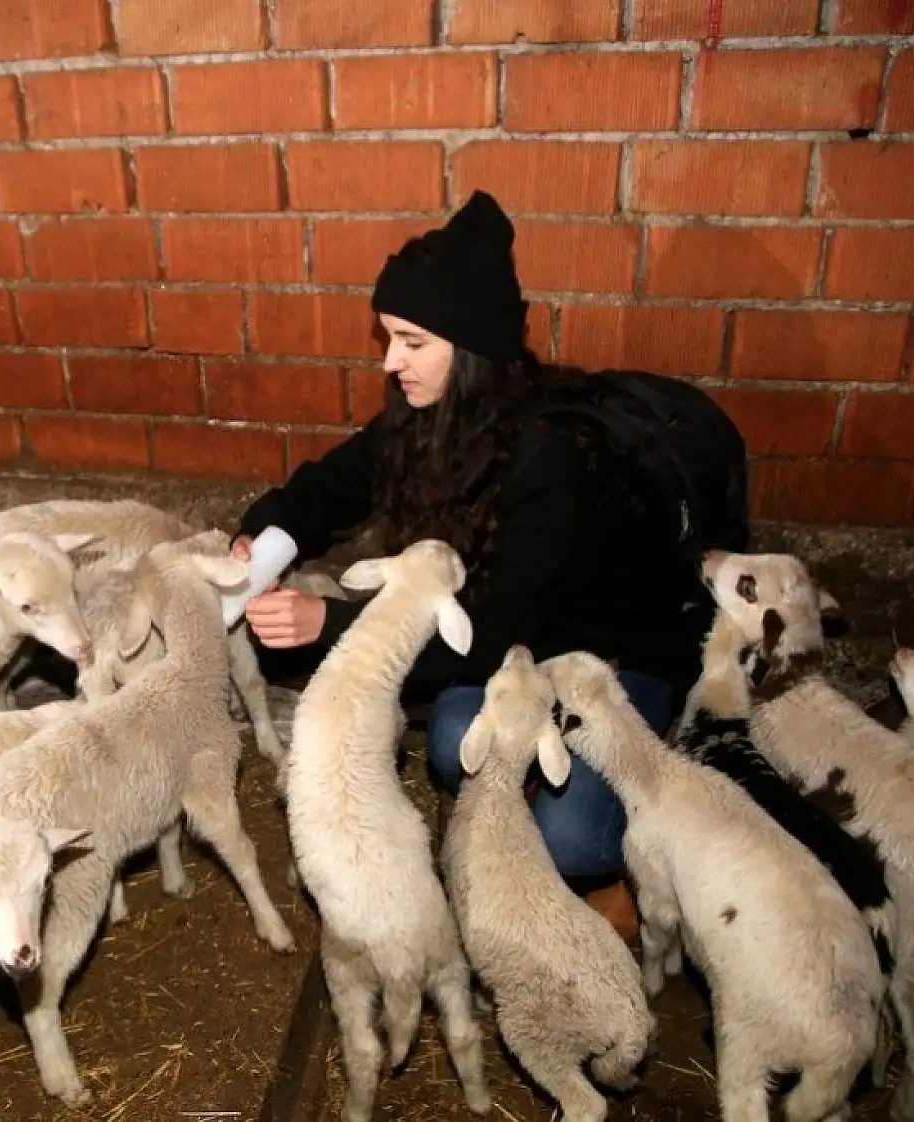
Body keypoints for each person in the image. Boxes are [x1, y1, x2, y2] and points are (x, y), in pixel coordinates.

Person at [230, 190, 723, 934]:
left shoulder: (551, 460)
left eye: (413, 342)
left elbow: (487, 633)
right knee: (452, 742)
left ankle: (651, 862)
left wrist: (328, 623)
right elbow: (330, 486)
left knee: (574, 837)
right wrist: (263, 539)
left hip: (615, 660)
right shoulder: (430, 418)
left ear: (473, 349)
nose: (392, 361)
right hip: (527, 647)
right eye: (388, 338)